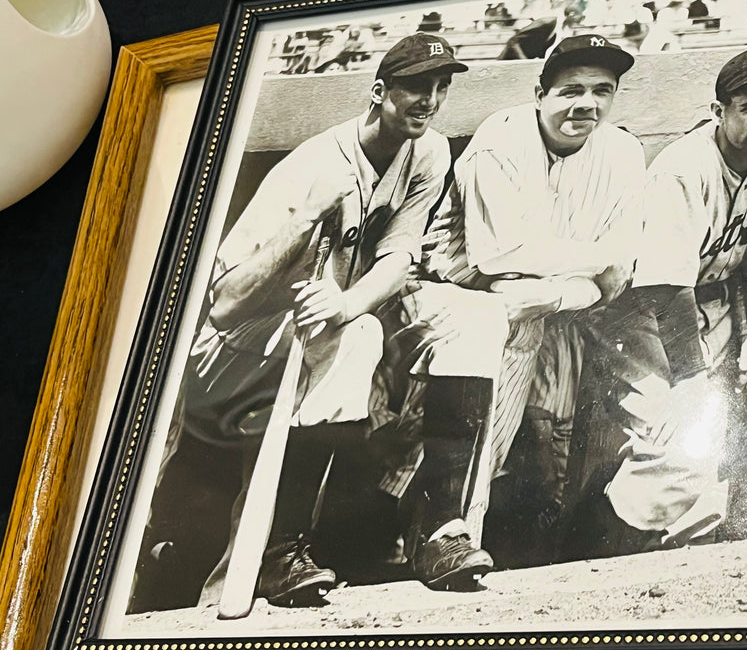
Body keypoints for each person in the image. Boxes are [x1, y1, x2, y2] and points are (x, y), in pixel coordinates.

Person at [132, 33, 467, 611]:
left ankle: (278, 553)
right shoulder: (310, 166)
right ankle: (279, 553)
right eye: (416, 85)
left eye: (441, 86)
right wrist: (306, 216)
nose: (430, 99)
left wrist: (344, 302)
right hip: (227, 354)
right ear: (378, 90)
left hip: (308, 336)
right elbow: (225, 305)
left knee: (357, 330)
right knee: (353, 338)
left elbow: (399, 254)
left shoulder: (429, 151)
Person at [387, 33, 645, 590]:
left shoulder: (623, 152)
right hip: (444, 295)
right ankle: (438, 541)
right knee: (430, 440)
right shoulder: (502, 139)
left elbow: (621, 277)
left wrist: (564, 291)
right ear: (539, 93)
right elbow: (499, 256)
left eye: (603, 90)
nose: (587, 104)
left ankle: (464, 543)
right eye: (571, 90)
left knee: (547, 437)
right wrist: (598, 266)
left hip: (548, 311)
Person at [559, 47, 747, 558]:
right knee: (676, 442)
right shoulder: (683, 169)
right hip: (642, 311)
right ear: (719, 110)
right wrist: (692, 382)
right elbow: (665, 286)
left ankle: (629, 550)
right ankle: (582, 554)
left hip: (720, 301)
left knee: (706, 448)